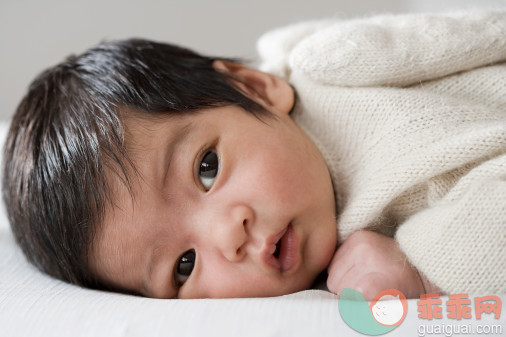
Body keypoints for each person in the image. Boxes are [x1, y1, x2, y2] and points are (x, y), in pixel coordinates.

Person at [3, 10, 505, 300]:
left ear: (257, 87)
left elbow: (482, 31)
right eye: (182, 266)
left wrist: (421, 268)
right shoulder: (330, 258)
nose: (228, 235)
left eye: (207, 168)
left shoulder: (341, 67)